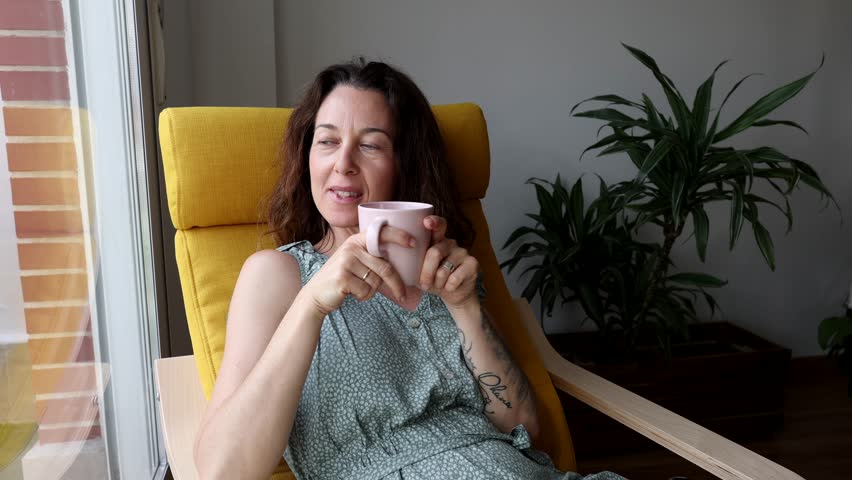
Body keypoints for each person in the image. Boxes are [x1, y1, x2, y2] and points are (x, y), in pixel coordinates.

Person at [193, 58, 623, 480]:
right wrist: (312, 303)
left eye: (371, 144)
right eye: (327, 141)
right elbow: (222, 469)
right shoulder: (279, 275)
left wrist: (465, 307)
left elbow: (523, 427)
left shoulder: (443, 268)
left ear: (404, 163)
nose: (343, 163)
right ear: (307, 155)